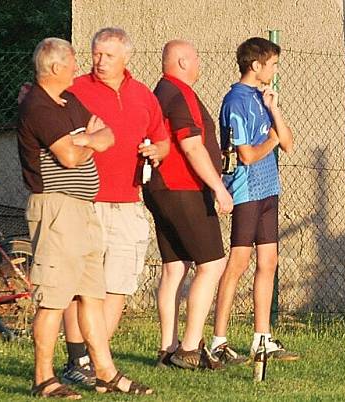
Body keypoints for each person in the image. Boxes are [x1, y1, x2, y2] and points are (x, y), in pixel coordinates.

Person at [19, 37, 151, 397]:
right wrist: (87, 139)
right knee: (54, 299)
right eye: (75, 61)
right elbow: (69, 157)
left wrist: (88, 137)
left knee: (91, 294)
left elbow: (107, 135)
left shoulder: (68, 100)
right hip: (57, 209)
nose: (80, 67)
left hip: (82, 209)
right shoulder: (38, 107)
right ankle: (43, 378)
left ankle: (105, 372)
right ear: (57, 67)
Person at [60, 27, 170, 384]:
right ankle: (77, 362)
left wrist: (156, 151)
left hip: (128, 202)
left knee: (118, 285)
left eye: (108, 55)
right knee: (80, 286)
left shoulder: (142, 95)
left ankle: (99, 361)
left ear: (126, 57)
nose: (100, 61)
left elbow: (164, 141)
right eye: (96, 54)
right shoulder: (75, 90)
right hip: (85, 201)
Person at [144, 40, 234, 369]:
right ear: (182, 61)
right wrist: (219, 188)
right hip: (184, 188)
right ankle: (190, 348)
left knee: (175, 267)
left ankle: (166, 347)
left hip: (159, 189)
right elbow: (192, 146)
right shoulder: (180, 93)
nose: (199, 64)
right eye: (196, 58)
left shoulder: (160, 92)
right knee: (212, 264)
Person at [210, 37, 296, 362]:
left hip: (268, 188)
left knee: (269, 262)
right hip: (246, 190)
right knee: (239, 263)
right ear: (255, 65)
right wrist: (272, 140)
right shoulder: (236, 101)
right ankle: (218, 340)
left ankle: (262, 338)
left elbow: (287, 142)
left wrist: (274, 108)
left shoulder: (264, 98)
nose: (275, 69)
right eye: (272, 64)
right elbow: (245, 155)